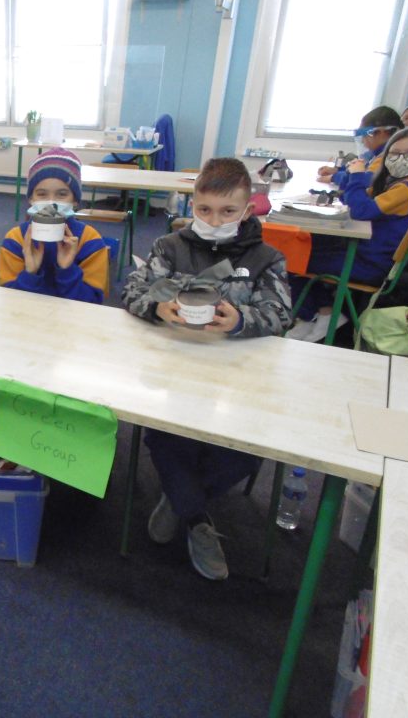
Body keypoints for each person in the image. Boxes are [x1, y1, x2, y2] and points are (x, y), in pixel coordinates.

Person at [122, 157, 292, 580]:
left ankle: (180, 499)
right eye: (204, 210)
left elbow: (280, 313)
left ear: (247, 209)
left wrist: (240, 320)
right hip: (174, 370)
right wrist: (157, 307)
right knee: (166, 437)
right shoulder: (170, 248)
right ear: (192, 205)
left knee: (244, 451)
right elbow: (134, 290)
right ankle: (196, 518)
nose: (214, 221)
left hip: (237, 379)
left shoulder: (265, 258)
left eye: (227, 211)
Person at [288, 126, 408, 342]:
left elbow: (361, 210)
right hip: (374, 253)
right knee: (309, 244)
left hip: (374, 263)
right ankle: (322, 312)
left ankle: (317, 314)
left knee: (290, 257)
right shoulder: (404, 182)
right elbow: (352, 199)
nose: (401, 159)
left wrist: (357, 175)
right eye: (395, 153)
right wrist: (353, 178)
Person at [0, 147, 108, 304]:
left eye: (62, 194)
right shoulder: (15, 239)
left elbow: (93, 303)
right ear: (31, 199)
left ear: (75, 200)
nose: (51, 203)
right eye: (42, 194)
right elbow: (6, 301)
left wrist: (67, 270)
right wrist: (30, 273)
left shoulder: (89, 240)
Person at [317, 106, 402, 191]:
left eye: (365, 135)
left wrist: (334, 177)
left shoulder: (388, 156)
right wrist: (336, 170)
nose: (362, 140)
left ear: (382, 133)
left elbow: (365, 180)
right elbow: (363, 167)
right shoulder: (376, 154)